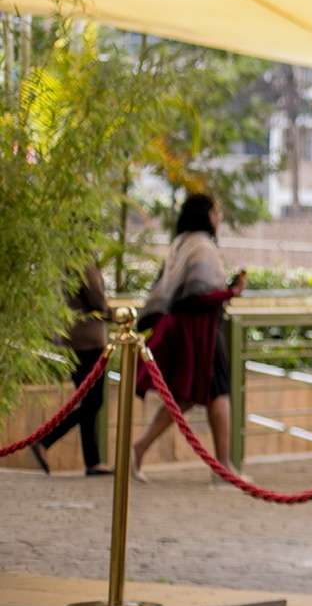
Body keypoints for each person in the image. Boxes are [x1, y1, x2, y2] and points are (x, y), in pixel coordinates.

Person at [131, 194, 243, 481]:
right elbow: (197, 295)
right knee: (216, 393)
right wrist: (231, 292)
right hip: (199, 332)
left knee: (185, 396)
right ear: (206, 215)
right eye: (216, 212)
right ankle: (223, 466)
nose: (218, 217)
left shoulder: (181, 243)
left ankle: (140, 449)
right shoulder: (202, 246)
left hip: (186, 330)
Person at [30, 264, 109, 475]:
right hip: (88, 340)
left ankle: (92, 461)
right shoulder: (85, 262)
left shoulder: (66, 261)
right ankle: (45, 440)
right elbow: (97, 300)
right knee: (93, 402)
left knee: (88, 402)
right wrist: (111, 312)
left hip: (71, 338)